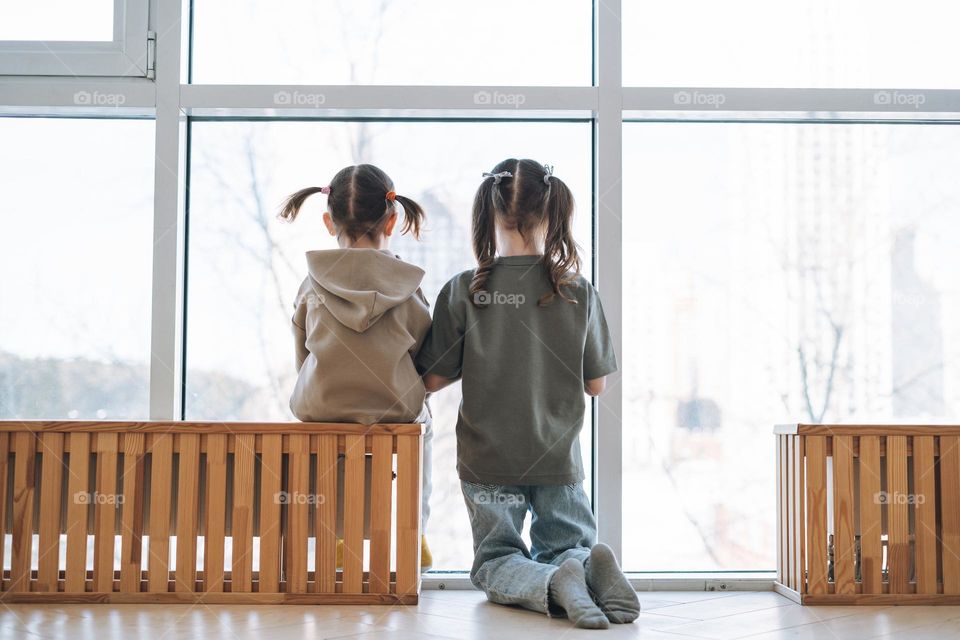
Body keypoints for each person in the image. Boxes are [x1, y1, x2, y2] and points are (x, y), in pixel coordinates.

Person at [416, 159, 638, 628]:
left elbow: (432, 380)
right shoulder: (578, 291)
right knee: (568, 545)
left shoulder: (464, 290)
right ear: (552, 212)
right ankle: (580, 566)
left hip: (488, 460)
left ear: (488, 214)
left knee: (495, 560)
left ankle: (552, 584)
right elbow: (597, 385)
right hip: (557, 458)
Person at [281, 163, 434, 568]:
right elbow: (422, 354)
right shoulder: (410, 286)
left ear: (329, 222)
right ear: (393, 220)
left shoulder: (310, 284)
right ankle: (414, 531)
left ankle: (337, 540)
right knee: (425, 424)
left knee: (336, 443)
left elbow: (302, 352)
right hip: (393, 408)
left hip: (322, 407)